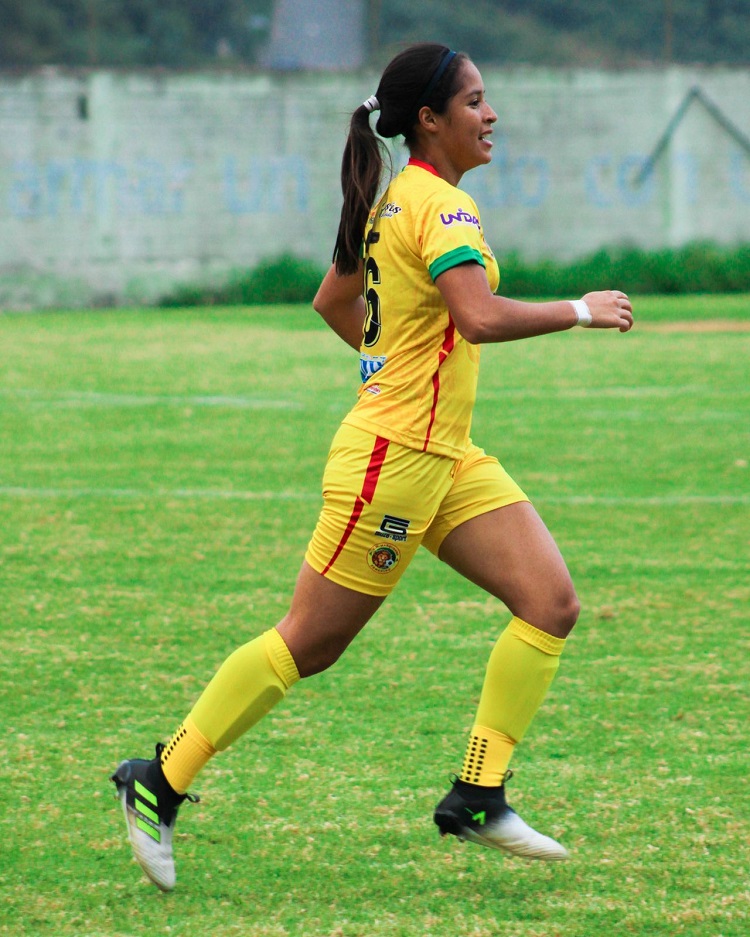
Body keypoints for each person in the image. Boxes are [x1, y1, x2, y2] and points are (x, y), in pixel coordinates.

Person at [111, 42, 633, 891]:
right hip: (392, 463)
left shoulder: (400, 200)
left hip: (447, 455)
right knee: (308, 643)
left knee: (550, 601)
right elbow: (476, 316)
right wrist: (580, 309)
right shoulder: (441, 209)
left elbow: (335, 301)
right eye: (473, 101)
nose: (490, 113)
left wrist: (388, 360)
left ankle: (478, 791)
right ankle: (159, 779)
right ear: (430, 120)